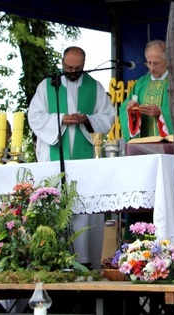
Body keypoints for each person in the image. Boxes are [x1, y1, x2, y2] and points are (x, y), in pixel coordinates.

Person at [27, 46, 114, 267]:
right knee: (56, 203)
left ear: (84, 65)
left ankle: (85, 261)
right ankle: (53, 258)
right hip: (56, 155)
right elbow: (35, 116)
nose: (72, 71)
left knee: (84, 203)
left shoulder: (94, 87)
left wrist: (87, 119)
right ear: (62, 63)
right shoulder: (48, 85)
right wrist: (60, 119)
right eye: (68, 67)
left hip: (85, 157)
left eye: (77, 68)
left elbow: (108, 116)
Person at [119, 39, 174, 141]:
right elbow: (124, 109)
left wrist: (162, 112)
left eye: (156, 63)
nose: (152, 68)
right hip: (143, 147)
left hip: (172, 150)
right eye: (148, 63)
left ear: (168, 61)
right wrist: (131, 111)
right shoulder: (140, 84)